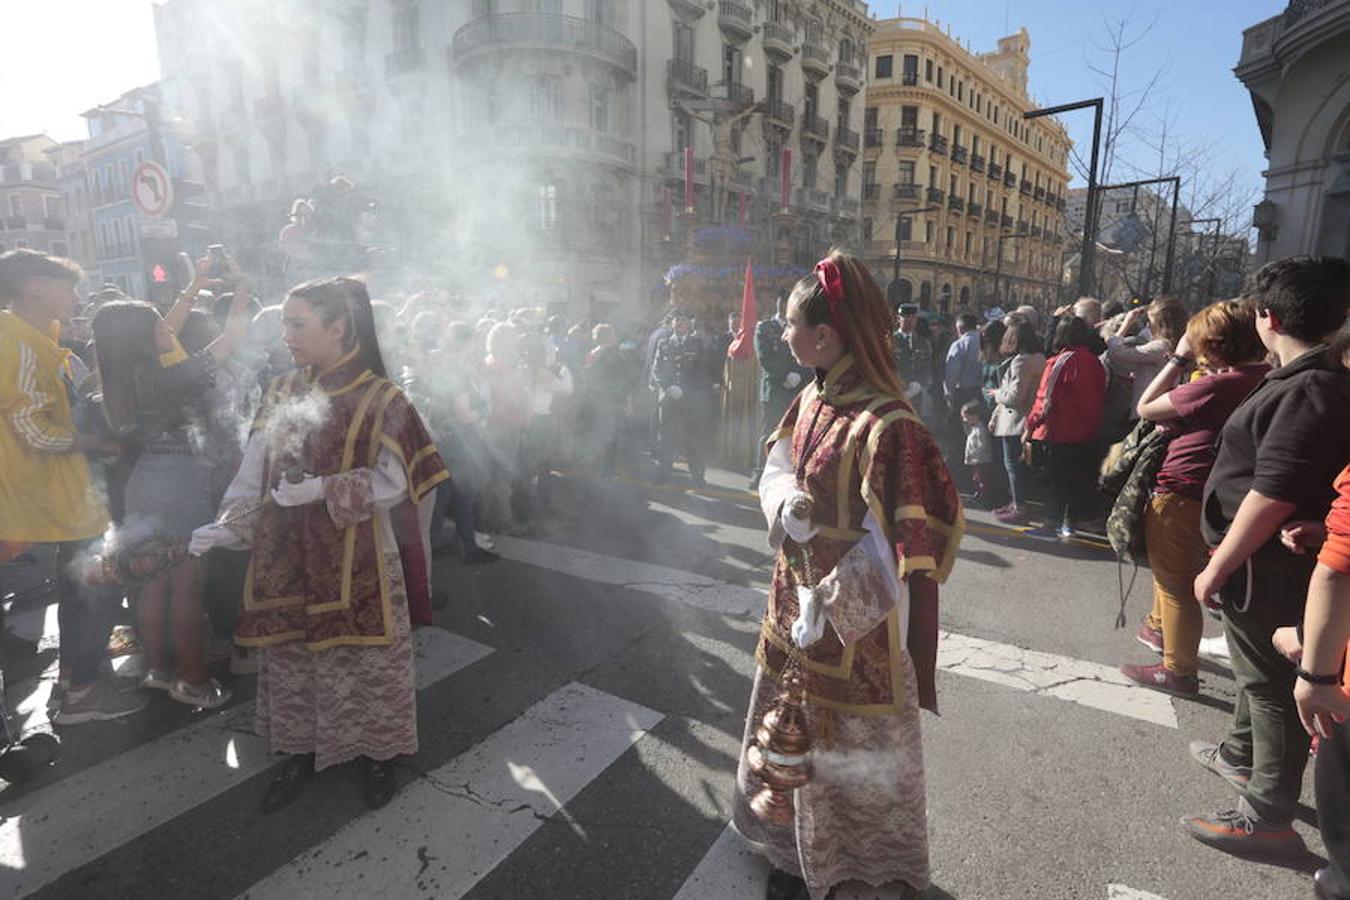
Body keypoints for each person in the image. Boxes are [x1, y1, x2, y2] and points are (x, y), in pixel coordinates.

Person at [739, 250, 962, 900]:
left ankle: (850, 869)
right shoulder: (811, 393)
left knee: (843, 751)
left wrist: (829, 606)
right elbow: (776, 465)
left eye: (789, 325)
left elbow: (897, 545)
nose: (782, 335)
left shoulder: (887, 423)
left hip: (850, 625)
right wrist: (788, 504)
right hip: (793, 603)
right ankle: (787, 852)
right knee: (783, 726)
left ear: (826, 336)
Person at [189, 276, 448, 813]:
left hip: (362, 553)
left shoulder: (384, 397)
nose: (285, 334)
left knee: (367, 660)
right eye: (284, 322)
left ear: (338, 326)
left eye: (297, 323)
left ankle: (378, 754)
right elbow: (255, 468)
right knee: (296, 656)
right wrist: (227, 524)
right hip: (287, 554)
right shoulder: (282, 389)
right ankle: (302, 749)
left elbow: (395, 482)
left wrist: (324, 489)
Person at [1182, 256, 1350, 856]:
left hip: (1265, 566)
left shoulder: (1308, 384)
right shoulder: (1310, 375)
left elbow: (1271, 491)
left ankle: (1267, 813)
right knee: (1257, 677)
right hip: (1277, 557)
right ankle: (1240, 755)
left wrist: (1217, 565)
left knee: (1268, 686)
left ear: (1267, 316)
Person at [89, 266, 251, 710]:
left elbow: (159, 330)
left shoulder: (121, 374)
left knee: (154, 582)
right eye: (158, 323)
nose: (168, 326)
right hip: (182, 484)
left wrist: (194, 286)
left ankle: (160, 671)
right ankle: (195, 681)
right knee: (187, 589)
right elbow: (233, 336)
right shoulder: (174, 377)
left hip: (145, 482)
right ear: (146, 336)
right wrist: (241, 291)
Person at [0, 250, 146, 724]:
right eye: (68, 287)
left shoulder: (35, 337)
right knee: (93, 587)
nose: (76, 297)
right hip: (44, 494)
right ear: (35, 288)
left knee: (79, 587)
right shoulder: (17, 342)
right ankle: (80, 692)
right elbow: (33, 428)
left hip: (53, 495)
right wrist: (95, 442)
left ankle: (75, 684)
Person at [1117, 300, 1269, 696]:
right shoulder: (1265, 378)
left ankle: (1178, 669)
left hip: (1183, 490)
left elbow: (1147, 406)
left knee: (1175, 583)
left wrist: (1179, 358)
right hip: (1216, 493)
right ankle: (1158, 625)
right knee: (1175, 572)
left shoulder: (1218, 383)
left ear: (1216, 346)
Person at [1022, 316, 1107, 540]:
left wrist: (1030, 425)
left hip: (1062, 431)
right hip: (1088, 430)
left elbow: (1045, 400)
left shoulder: (1061, 361)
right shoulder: (1094, 360)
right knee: (1077, 480)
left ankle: (1051, 524)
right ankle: (1072, 522)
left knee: (1056, 481)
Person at [989, 320, 1046, 525]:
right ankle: (1017, 503)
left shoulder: (1020, 361)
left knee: (1012, 466)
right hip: (1030, 419)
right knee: (1021, 466)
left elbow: (1015, 396)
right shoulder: (1040, 358)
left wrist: (997, 394)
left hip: (1015, 419)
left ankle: (1019, 506)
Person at [751, 294, 809, 488]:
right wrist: (785, 375)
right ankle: (759, 472)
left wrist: (799, 374)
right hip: (775, 389)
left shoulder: (801, 327)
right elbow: (765, 358)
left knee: (795, 432)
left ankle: (788, 474)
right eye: (782, 302)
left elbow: (808, 352)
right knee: (768, 432)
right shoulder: (764, 328)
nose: (784, 306)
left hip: (797, 388)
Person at [650, 310, 711, 486]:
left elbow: (702, 371)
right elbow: (657, 370)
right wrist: (668, 387)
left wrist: (686, 389)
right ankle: (663, 472)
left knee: (693, 437)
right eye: (676, 321)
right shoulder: (664, 343)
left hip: (690, 399)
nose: (679, 324)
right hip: (669, 397)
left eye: (683, 321)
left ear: (688, 324)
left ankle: (698, 475)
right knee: (666, 436)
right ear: (672, 324)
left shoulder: (696, 344)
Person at [960, 399, 995, 506]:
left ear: (975, 416)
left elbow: (983, 445)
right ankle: (978, 493)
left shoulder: (981, 429)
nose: (965, 420)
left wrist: (976, 457)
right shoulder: (973, 428)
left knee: (981, 479)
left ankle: (984, 496)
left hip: (980, 460)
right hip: (975, 459)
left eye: (966, 417)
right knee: (976, 478)